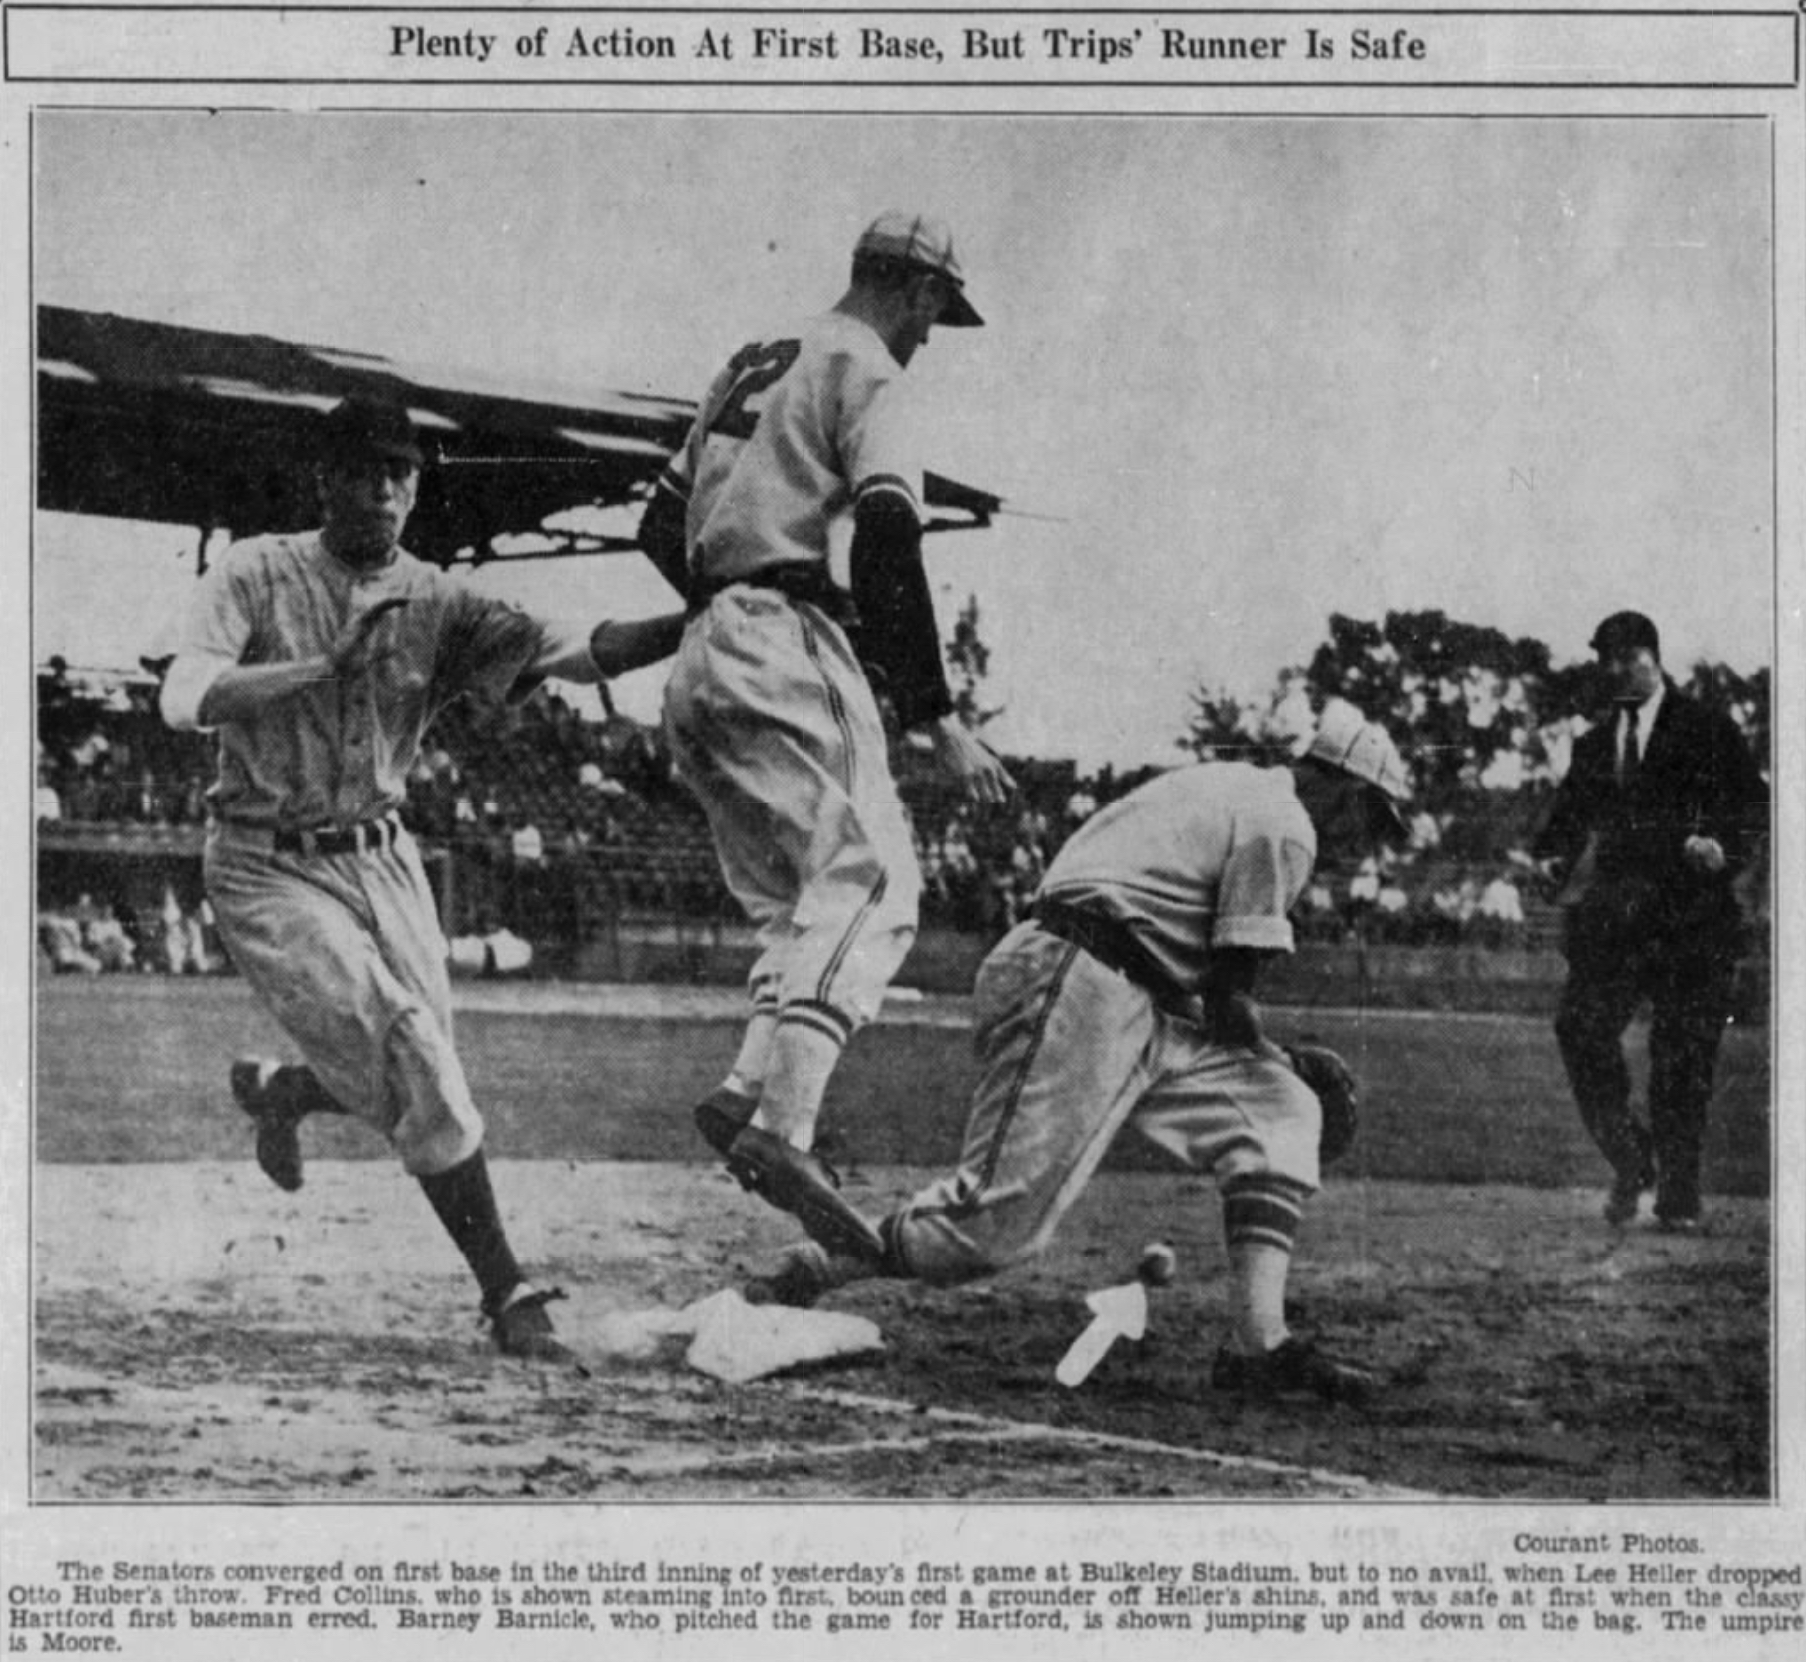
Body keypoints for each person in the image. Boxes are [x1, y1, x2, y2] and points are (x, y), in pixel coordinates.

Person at [160, 395, 685, 1363]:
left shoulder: (441, 598)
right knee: (410, 1052)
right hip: (266, 861)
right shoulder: (258, 570)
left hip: (383, 855)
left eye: (400, 471)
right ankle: (508, 1291)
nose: (385, 488)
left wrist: (703, 614)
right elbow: (184, 698)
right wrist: (322, 667)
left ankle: (286, 1092)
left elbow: (576, 651)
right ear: (325, 479)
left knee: (412, 1057)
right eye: (364, 469)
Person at [741, 701, 1413, 1405]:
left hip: (1131, 989)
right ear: (1341, 785)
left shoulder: (1240, 787)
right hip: (1075, 975)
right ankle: (811, 1266)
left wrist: (1283, 1073)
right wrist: (1292, 1058)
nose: (1367, 843)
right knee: (986, 1235)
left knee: (1280, 1112)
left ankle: (1259, 1347)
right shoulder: (1288, 824)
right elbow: (1229, 1004)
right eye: (1372, 818)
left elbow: (1196, 980)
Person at [636, 211, 1013, 1245]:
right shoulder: (871, 371)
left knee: (799, 905)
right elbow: (889, 535)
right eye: (940, 310)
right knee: (877, 885)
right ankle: (786, 1129)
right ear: (919, 289)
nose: (934, 333)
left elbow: (656, 527)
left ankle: (747, 1087)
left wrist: (725, 597)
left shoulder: (751, 362)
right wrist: (936, 714)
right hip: (786, 639)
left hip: (705, 649)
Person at [1532, 611, 1767, 1233]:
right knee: (1580, 1029)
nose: (1611, 671)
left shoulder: (1708, 729)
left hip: (1693, 922)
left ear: (1650, 657)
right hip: (1617, 924)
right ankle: (1631, 1157)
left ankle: (1680, 1198)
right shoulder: (1592, 744)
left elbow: (1752, 806)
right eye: (1602, 660)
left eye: (1621, 658)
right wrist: (1551, 863)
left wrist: (1723, 848)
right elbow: (1561, 829)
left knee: (1682, 1059)